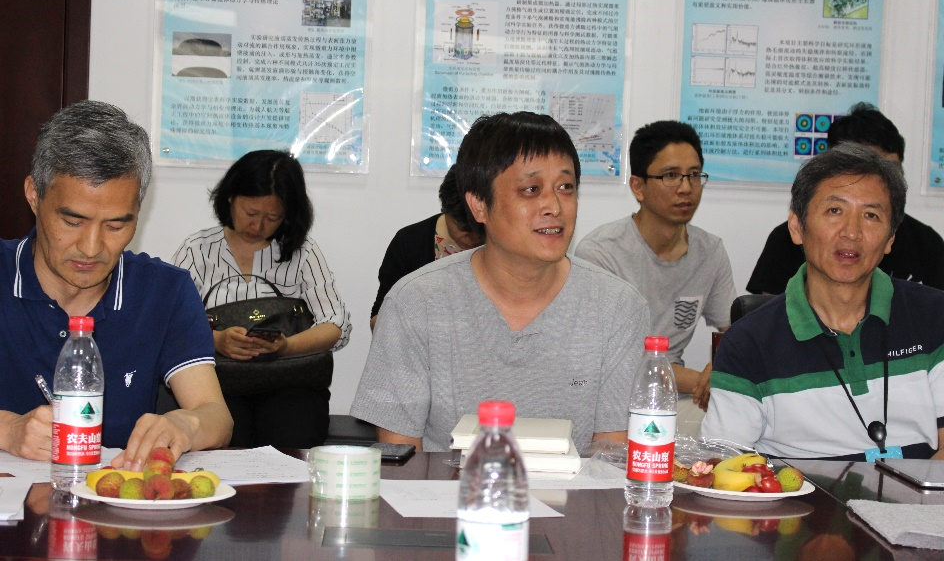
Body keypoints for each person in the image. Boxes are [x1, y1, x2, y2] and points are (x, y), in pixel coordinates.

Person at [350, 111, 649, 454]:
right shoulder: (415, 303)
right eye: (531, 189)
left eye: (565, 188)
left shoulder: (618, 308)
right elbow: (402, 459)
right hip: (446, 488)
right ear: (479, 205)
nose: (554, 206)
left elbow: (612, 459)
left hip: (575, 489)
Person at [0, 100, 232, 468]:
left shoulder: (164, 291)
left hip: (113, 498)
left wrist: (186, 424)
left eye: (116, 225)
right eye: (73, 222)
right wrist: (8, 429)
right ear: (33, 194)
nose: (91, 248)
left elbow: (216, 415)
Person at [703, 144, 944, 460]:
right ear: (796, 227)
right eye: (834, 211)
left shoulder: (935, 317)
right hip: (801, 492)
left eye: (871, 215)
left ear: (890, 238)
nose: (852, 232)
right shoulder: (747, 343)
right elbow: (724, 465)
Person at [173, 150, 351, 448]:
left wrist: (285, 347)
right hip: (217, 383)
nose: (257, 227)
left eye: (272, 218)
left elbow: (336, 326)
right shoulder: (197, 250)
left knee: (292, 434)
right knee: (224, 437)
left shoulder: (303, 252)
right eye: (250, 213)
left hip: (291, 383)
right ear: (230, 198)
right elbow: (173, 324)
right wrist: (216, 341)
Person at [575, 121, 735, 413]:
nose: (686, 188)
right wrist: (704, 381)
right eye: (671, 175)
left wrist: (724, 367)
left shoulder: (710, 251)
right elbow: (610, 359)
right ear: (638, 187)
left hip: (676, 401)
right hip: (611, 400)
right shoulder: (601, 253)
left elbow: (736, 333)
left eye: (694, 175)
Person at [747, 103, 944, 294]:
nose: (852, 233)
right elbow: (771, 311)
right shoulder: (790, 238)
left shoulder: (926, 244)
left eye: (891, 168)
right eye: (835, 211)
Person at [370, 164, 483, 329]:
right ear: (446, 210)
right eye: (463, 228)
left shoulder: (504, 245)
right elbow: (379, 318)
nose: (472, 236)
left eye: (480, 228)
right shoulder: (410, 242)